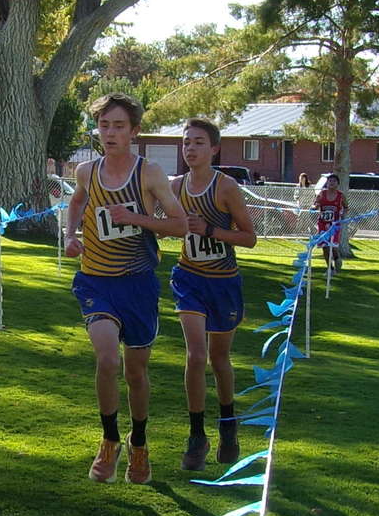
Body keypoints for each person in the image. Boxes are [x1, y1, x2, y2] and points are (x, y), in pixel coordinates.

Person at [63, 92, 187, 485]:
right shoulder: (87, 171)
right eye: (104, 125)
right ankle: (109, 439)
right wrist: (70, 235)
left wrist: (135, 217)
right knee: (106, 358)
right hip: (96, 280)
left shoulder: (149, 174)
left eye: (119, 126)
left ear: (134, 132)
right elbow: (76, 203)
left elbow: (180, 226)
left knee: (135, 371)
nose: (110, 133)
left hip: (138, 284)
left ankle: (140, 442)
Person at [170, 119, 257, 470]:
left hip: (223, 283)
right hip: (188, 278)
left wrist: (210, 229)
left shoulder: (226, 188)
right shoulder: (174, 186)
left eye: (198, 143)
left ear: (214, 149)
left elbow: (249, 237)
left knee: (219, 360)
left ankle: (228, 424)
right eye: (186, 143)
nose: (190, 149)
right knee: (195, 354)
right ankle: (196, 435)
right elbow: (159, 221)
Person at [312, 173, 345, 271]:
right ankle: (329, 268)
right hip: (322, 223)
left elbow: (346, 207)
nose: (331, 183)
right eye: (330, 181)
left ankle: (337, 259)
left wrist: (343, 214)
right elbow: (316, 204)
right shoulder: (322, 194)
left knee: (332, 245)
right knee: (324, 246)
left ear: (337, 184)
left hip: (334, 225)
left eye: (334, 181)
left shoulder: (341, 196)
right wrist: (314, 207)